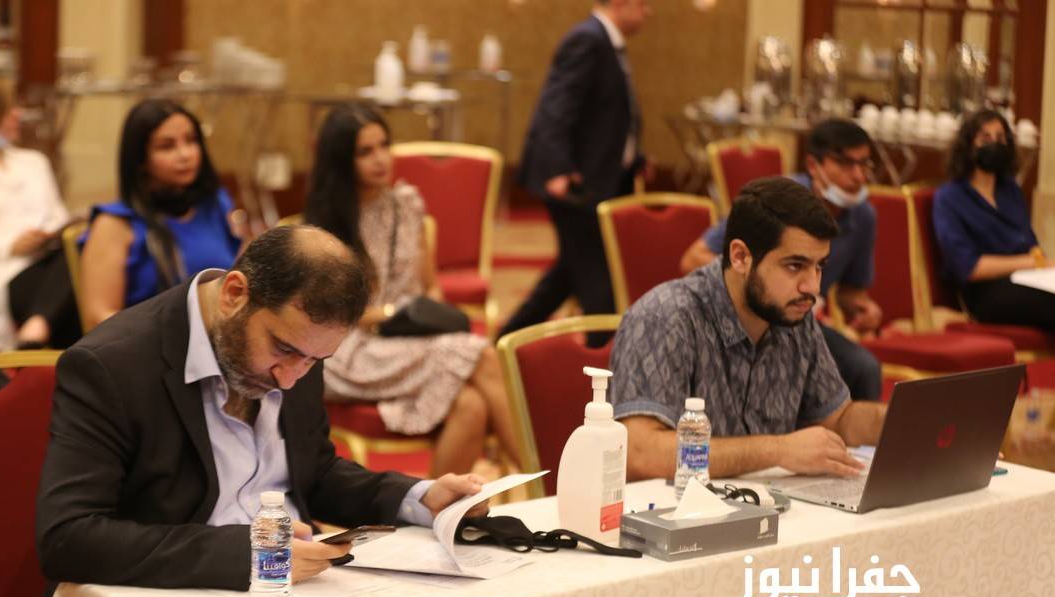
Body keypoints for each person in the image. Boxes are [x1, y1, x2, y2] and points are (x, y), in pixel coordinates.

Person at [18, 224, 487, 597]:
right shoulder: (112, 365)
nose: (290, 379)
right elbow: (68, 537)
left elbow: (314, 472)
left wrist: (418, 497)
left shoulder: (301, 344)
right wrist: (252, 554)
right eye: (283, 350)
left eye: (314, 361)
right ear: (234, 294)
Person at [611, 177, 887, 481]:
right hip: (676, 507)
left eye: (819, 266)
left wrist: (899, 420)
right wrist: (778, 451)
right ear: (741, 257)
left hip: (764, 502)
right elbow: (640, 453)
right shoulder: (665, 316)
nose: (812, 287)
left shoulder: (793, 314)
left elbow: (838, 418)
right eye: (795, 266)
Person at [306, 103, 522, 476]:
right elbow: (333, 316)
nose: (380, 159)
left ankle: (432, 508)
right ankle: (546, 482)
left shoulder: (407, 206)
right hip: (348, 351)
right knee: (482, 355)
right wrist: (391, 316)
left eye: (384, 145)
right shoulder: (323, 228)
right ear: (341, 160)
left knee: (472, 406)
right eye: (365, 151)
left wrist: (426, 320)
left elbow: (431, 288)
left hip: (403, 339)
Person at [680, 119, 884, 401]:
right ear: (813, 165)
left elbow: (850, 291)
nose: (859, 176)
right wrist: (758, 282)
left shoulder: (864, 216)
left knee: (864, 368)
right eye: (847, 164)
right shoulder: (778, 202)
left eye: (864, 164)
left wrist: (864, 309)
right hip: (754, 312)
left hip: (804, 320)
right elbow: (693, 259)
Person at [499, 0, 652, 347]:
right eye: (644, 4)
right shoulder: (588, 40)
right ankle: (604, 357)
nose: (648, 12)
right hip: (577, 184)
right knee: (599, 283)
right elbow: (556, 107)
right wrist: (558, 170)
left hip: (598, 180)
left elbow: (605, 116)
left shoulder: (606, 43)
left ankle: (507, 340)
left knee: (569, 273)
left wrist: (633, 159)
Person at [78, 99, 241, 330]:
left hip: (220, 337)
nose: (185, 154)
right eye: (167, 146)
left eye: (191, 140)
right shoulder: (115, 223)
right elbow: (98, 318)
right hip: (148, 344)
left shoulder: (215, 203)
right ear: (141, 159)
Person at [0, 76, 77, 348]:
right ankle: (38, 330)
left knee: (81, 247)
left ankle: (36, 330)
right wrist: (10, 246)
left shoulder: (34, 162)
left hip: (50, 258)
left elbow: (58, 216)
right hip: (5, 273)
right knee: (75, 278)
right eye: (9, 110)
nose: (18, 115)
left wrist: (48, 235)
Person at [932, 109, 1054, 331]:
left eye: (1000, 138)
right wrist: (1031, 262)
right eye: (985, 138)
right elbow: (968, 267)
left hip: (1026, 279)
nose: (994, 144)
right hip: (985, 292)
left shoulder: (1010, 191)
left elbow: (1030, 244)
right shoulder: (949, 198)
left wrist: (1042, 263)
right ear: (968, 146)